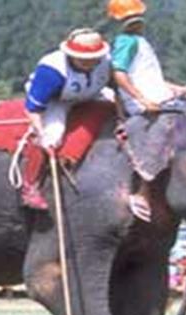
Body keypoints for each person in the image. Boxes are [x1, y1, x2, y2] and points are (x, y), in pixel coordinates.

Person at [107, 0, 186, 221]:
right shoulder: (125, 42)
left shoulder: (140, 42)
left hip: (157, 96)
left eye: (136, 18)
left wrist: (182, 90)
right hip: (143, 102)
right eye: (128, 18)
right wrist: (141, 99)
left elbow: (153, 79)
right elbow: (119, 74)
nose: (135, 22)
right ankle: (143, 189)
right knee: (160, 129)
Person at [21, 28, 117, 209]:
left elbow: (120, 85)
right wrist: (40, 132)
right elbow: (33, 108)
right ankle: (30, 187)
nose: (90, 63)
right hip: (58, 100)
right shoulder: (52, 70)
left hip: (93, 94)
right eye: (84, 59)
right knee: (52, 137)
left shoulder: (107, 62)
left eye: (93, 58)